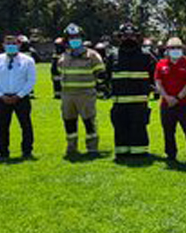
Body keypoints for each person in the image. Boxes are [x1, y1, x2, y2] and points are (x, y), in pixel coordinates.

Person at [58, 23, 106, 156]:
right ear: (66, 39)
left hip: (86, 94)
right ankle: (71, 147)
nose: (74, 40)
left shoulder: (92, 55)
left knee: (89, 121)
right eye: (71, 37)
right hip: (67, 96)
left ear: (82, 38)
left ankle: (92, 148)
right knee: (69, 121)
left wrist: (101, 90)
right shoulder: (63, 57)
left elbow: (101, 75)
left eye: (77, 37)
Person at [0, 35, 36, 161]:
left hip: (21, 98)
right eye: (8, 43)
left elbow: (31, 81)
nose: (11, 46)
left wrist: (19, 95)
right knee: (2, 127)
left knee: (26, 126)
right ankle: (3, 153)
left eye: (14, 43)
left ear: (19, 45)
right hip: (2, 99)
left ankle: (27, 151)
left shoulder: (28, 60)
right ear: (3, 45)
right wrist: (1, 95)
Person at [109, 23, 155, 158]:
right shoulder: (113, 55)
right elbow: (106, 75)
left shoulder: (146, 56)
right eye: (125, 36)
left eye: (132, 36)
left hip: (139, 103)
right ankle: (122, 152)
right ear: (120, 37)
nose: (129, 38)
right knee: (120, 128)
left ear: (137, 37)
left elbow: (155, 75)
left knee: (139, 129)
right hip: (119, 103)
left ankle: (139, 153)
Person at [155, 37, 186, 163]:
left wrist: (178, 97)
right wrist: (167, 97)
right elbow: (158, 83)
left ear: (182, 49)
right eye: (172, 48)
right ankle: (171, 155)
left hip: (185, 104)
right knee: (168, 131)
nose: (175, 50)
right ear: (167, 50)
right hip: (166, 104)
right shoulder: (161, 64)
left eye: (178, 48)